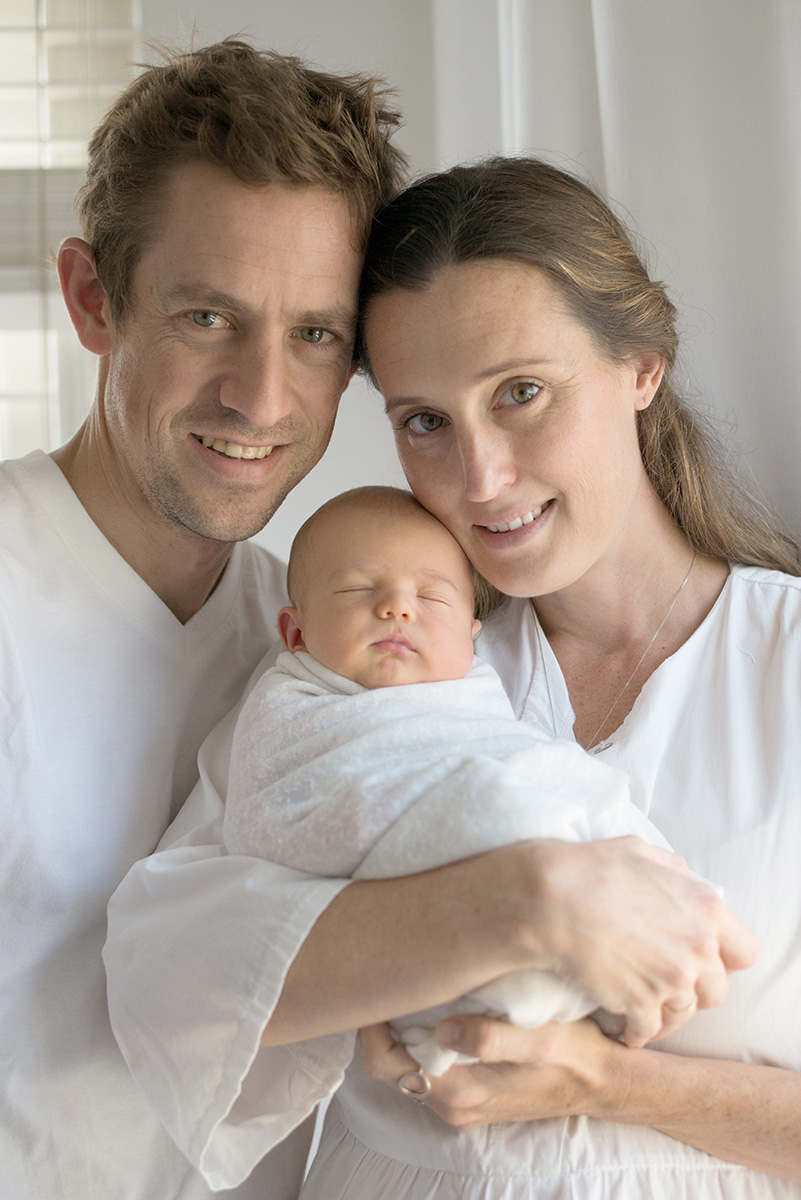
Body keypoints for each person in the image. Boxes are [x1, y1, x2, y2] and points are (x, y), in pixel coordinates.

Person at [328, 155, 800, 1196]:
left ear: (642, 366)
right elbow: (181, 965)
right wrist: (372, 971)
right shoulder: (385, 677)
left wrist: (601, 1080)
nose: (480, 479)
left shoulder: (786, 671)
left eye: (523, 394)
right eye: (425, 422)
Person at [0, 38, 405, 1200]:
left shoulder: (325, 641)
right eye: (207, 317)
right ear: (93, 299)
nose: (263, 398)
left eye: (316, 335)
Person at [223, 485, 677, 1079]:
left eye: (432, 596)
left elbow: (533, 767)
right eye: (359, 590)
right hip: (432, 949)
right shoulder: (291, 716)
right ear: (295, 633)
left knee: (573, 799)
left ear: (471, 634)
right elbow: (272, 819)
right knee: (510, 813)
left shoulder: (481, 698)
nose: (396, 608)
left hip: (563, 929)